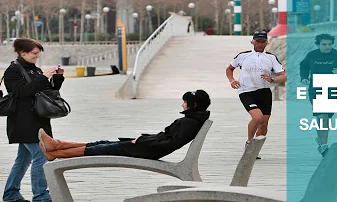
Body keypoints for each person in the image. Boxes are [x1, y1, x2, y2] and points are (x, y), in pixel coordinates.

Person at [38, 90, 211, 161]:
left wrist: (141, 141)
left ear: (193, 105)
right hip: (147, 147)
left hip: (147, 150)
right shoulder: (191, 120)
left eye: (185, 102)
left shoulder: (190, 122)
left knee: (101, 149)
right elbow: (165, 138)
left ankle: (56, 152)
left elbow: (169, 143)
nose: (182, 105)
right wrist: (142, 139)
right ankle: (56, 146)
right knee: (101, 143)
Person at [2, 38, 65, 202]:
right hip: (23, 121)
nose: (37, 57)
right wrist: (43, 77)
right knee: (41, 156)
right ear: (23, 53)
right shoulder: (13, 71)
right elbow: (22, 92)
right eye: (34, 53)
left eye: (38, 54)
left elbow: (45, 92)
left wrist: (57, 78)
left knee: (23, 159)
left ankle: (10, 194)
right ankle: (41, 196)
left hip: (38, 120)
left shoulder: (34, 70)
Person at [225, 31, 286, 159]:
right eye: (257, 41)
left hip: (264, 92)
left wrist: (273, 79)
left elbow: (283, 76)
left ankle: (255, 150)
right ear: (252, 42)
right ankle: (249, 143)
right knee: (257, 117)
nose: (260, 44)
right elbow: (229, 69)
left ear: (267, 43)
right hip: (246, 91)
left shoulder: (271, 58)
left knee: (264, 123)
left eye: (263, 41)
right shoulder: (243, 56)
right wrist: (232, 80)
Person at [300, 33, 337, 157]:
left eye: (330, 44)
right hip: (316, 89)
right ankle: (324, 145)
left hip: (333, 88)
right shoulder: (312, 55)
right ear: (318, 45)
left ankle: (320, 139)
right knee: (322, 116)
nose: (327, 47)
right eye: (324, 44)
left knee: (326, 118)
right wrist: (304, 77)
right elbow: (304, 66)